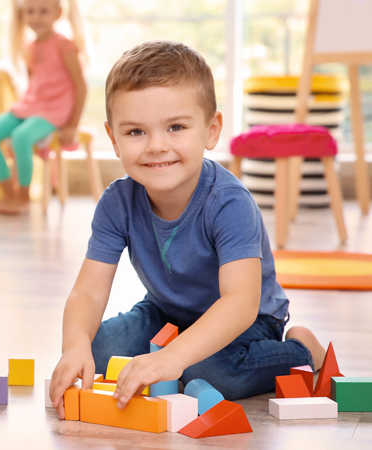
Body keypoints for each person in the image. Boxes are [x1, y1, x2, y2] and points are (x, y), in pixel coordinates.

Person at [48, 40, 326, 419]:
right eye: (135, 132)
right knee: (98, 351)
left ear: (211, 130)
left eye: (176, 127)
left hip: (246, 322)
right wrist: (74, 346)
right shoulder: (116, 201)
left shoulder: (229, 203)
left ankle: (303, 351)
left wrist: (173, 358)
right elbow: (88, 291)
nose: (156, 146)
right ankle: (171, 357)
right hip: (166, 312)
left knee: (210, 373)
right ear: (113, 139)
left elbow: (240, 303)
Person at [0, 0, 87, 215]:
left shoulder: (65, 46)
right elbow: (34, 84)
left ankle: (23, 197)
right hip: (31, 105)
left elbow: (81, 86)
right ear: (23, 14)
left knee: (21, 137)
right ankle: (9, 195)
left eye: (43, 11)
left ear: (57, 14)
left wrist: (72, 125)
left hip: (55, 109)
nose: (36, 17)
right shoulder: (29, 48)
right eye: (30, 11)